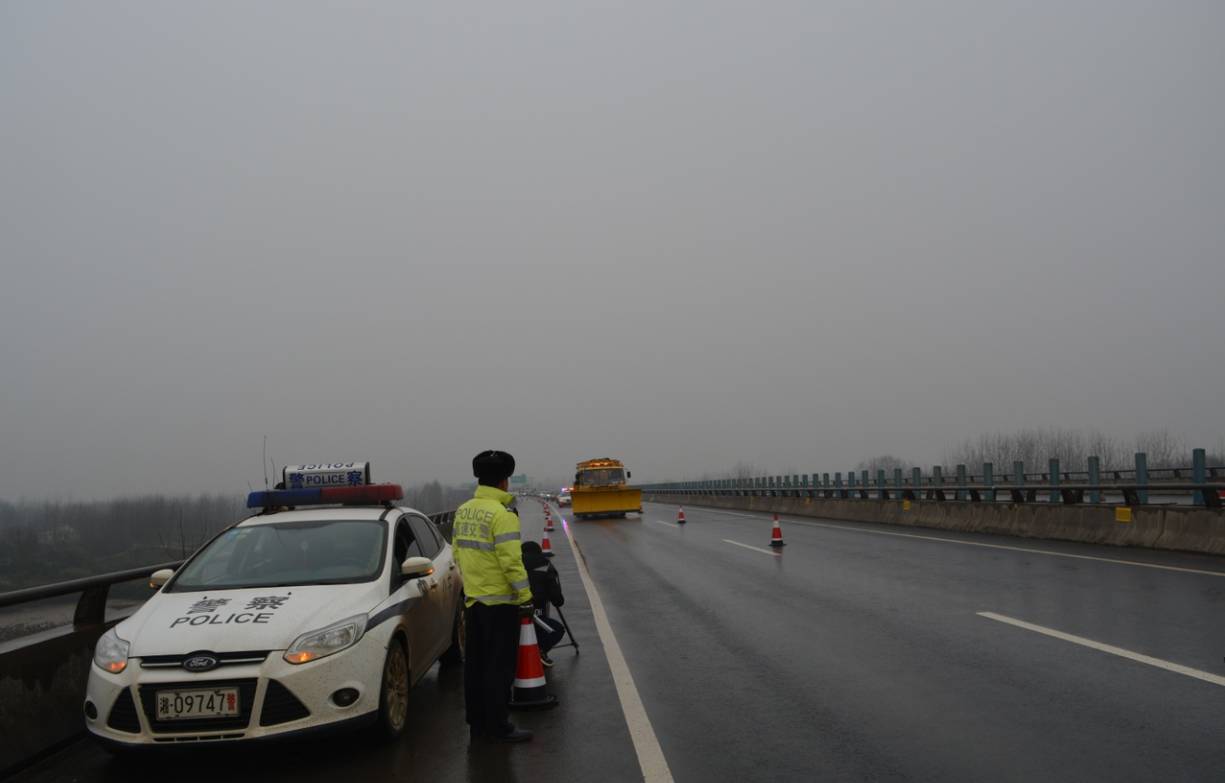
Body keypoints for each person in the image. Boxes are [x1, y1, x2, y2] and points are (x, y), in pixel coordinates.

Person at [453, 450, 534, 744]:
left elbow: (457, 554)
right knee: (499, 669)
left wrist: (473, 587)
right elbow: (512, 562)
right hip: (501, 605)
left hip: (474, 602)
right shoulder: (502, 515)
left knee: (475, 667)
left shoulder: (463, 511)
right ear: (504, 481)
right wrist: (525, 595)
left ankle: (477, 725)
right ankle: (499, 727)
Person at [521, 540, 566, 666]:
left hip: (513, 616)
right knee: (557, 630)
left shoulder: (513, 564)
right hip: (538, 619)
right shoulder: (546, 566)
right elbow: (558, 600)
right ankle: (540, 651)